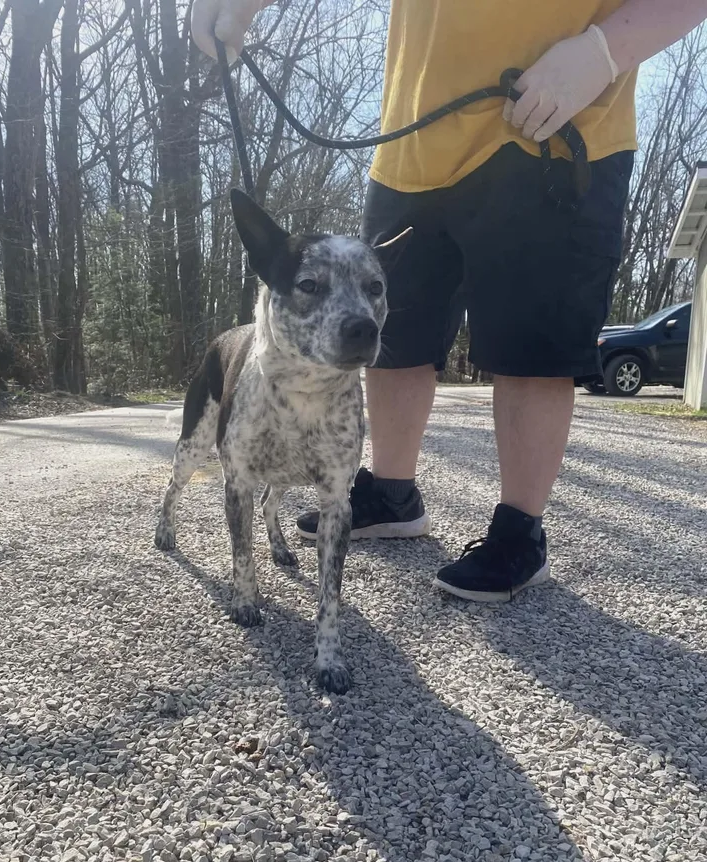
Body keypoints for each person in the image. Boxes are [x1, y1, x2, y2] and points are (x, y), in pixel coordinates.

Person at [192, 0, 707, 602]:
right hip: (411, 145)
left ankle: (520, 532)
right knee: (389, 336)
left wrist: (604, 51)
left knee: (531, 343)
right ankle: (391, 493)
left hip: (554, 119)